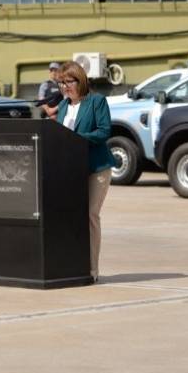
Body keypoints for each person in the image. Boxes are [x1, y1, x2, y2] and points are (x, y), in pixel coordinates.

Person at [54, 61, 115, 283]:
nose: (65, 87)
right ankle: (71, 264)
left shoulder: (96, 101)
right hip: (71, 170)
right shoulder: (62, 106)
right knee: (69, 216)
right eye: (61, 83)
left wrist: (77, 139)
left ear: (80, 80)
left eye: (68, 82)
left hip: (96, 168)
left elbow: (104, 131)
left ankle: (91, 269)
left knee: (90, 214)